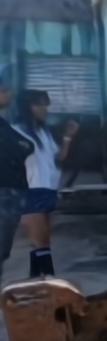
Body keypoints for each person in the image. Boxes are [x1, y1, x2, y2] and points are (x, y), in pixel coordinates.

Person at [13, 89, 78, 278]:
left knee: (40, 241)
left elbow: (59, 158)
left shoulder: (43, 132)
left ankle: (35, 277)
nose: (43, 108)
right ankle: (50, 278)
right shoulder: (15, 132)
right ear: (26, 106)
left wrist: (68, 137)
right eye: (38, 104)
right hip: (29, 191)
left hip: (47, 189)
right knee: (42, 241)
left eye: (45, 104)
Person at [0, 75, 35, 283]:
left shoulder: (3, 124)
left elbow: (25, 146)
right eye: (4, 90)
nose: (9, 94)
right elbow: (20, 147)